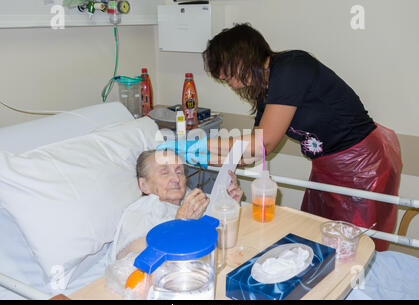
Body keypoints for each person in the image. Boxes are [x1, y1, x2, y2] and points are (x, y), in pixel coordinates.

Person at [157, 23, 402, 251]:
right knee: (319, 238)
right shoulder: (267, 91)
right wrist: (201, 158)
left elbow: (263, 143)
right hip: (327, 166)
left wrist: (199, 142)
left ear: (242, 56)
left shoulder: (291, 67)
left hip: (363, 164)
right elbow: (252, 153)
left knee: (354, 246)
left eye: (227, 72)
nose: (227, 81)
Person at [108, 149, 243, 262]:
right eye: (164, 173)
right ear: (144, 185)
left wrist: (227, 206)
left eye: (179, 172)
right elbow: (127, 258)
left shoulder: (189, 201)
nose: (176, 179)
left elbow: (214, 237)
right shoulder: (141, 211)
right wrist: (179, 225)